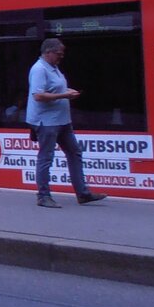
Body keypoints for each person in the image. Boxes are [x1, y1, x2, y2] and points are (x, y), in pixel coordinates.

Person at [26, 38, 107, 208]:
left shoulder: (54, 68)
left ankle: (83, 193)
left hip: (62, 121)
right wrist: (64, 95)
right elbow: (38, 96)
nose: (61, 57)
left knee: (74, 153)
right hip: (47, 122)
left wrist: (66, 91)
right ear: (48, 52)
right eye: (58, 54)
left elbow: (53, 90)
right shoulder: (39, 69)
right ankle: (43, 196)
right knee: (46, 158)